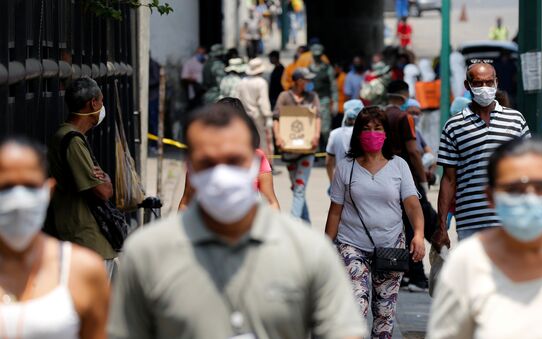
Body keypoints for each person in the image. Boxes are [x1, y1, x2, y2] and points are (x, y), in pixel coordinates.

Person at [109, 103, 366, 339]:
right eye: (207, 162)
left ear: (255, 163)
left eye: (234, 160)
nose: (222, 173)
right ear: (191, 167)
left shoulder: (308, 251)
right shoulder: (147, 254)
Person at [428, 138, 542, 338]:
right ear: (491, 197)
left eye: (541, 186)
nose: (529, 197)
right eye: (513, 189)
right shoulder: (468, 262)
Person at [324, 106, 425, 337]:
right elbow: (335, 212)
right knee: (356, 305)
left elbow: (412, 205)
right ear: (358, 133)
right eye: (366, 129)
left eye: (377, 128)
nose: (372, 133)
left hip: (390, 247)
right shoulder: (345, 168)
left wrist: (418, 234)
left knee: (384, 314)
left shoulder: (399, 165)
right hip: (352, 246)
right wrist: (325, 246)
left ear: (386, 133)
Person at [0, 137, 110, 339]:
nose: (18, 199)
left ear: (48, 190)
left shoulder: (83, 269)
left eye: (30, 186)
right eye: (6, 187)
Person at [435, 63, 531, 250]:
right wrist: (441, 227)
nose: (485, 88)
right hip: (470, 223)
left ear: (496, 82)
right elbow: (448, 180)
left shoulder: (516, 120)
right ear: (467, 85)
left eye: (489, 82)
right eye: (478, 83)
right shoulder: (454, 126)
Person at [47, 77, 118, 274]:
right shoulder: (72, 141)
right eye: (101, 101)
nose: (103, 106)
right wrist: (107, 180)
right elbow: (102, 191)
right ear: (93, 103)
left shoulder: (68, 137)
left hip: (84, 241)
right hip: (87, 241)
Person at [179, 97, 279, 211]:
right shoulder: (201, 158)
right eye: (210, 163)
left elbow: (271, 202)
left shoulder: (257, 157)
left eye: (236, 160)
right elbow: (186, 202)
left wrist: (274, 227)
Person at [385, 81, 434, 292]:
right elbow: (413, 151)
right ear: (405, 95)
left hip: (385, 177)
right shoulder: (404, 118)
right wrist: (422, 179)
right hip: (408, 179)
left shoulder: (379, 115)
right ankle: (417, 276)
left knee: (401, 227)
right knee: (420, 224)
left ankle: (404, 273)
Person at [273, 68, 321, 223]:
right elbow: (276, 118)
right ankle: (306, 224)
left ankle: (292, 225)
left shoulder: (312, 97)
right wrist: (278, 137)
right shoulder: (284, 97)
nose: (309, 83)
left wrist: (316, 135)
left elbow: (318, 117)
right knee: (297, 189)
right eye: (306, 80)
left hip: (307, 150)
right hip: (289, 151)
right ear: (298, 81)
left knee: (299, 188)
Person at [237, 58, 273, 162]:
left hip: (245, 114)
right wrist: (268, 116)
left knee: (247, 139)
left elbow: (237, 98)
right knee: (263, 140)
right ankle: (266, 163)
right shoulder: (261, 82)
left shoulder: (242, 82)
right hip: (258, 115)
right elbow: (263, 101)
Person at [326, 99, 364, 182]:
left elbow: (328, 162)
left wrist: (332, 183)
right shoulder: (365, 134)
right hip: (361, 182)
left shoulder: (334, 134)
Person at [308, 44, 337, 150]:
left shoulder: (327, 68)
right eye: (315, 55)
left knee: (325, 129)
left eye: (318, 55)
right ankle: (315, 150)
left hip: (324, 100)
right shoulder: (309, 69)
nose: (316, 57)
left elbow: (333, 86)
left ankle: (328, 150)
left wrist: (335, 103)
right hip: (311, 101)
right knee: (312, 127)